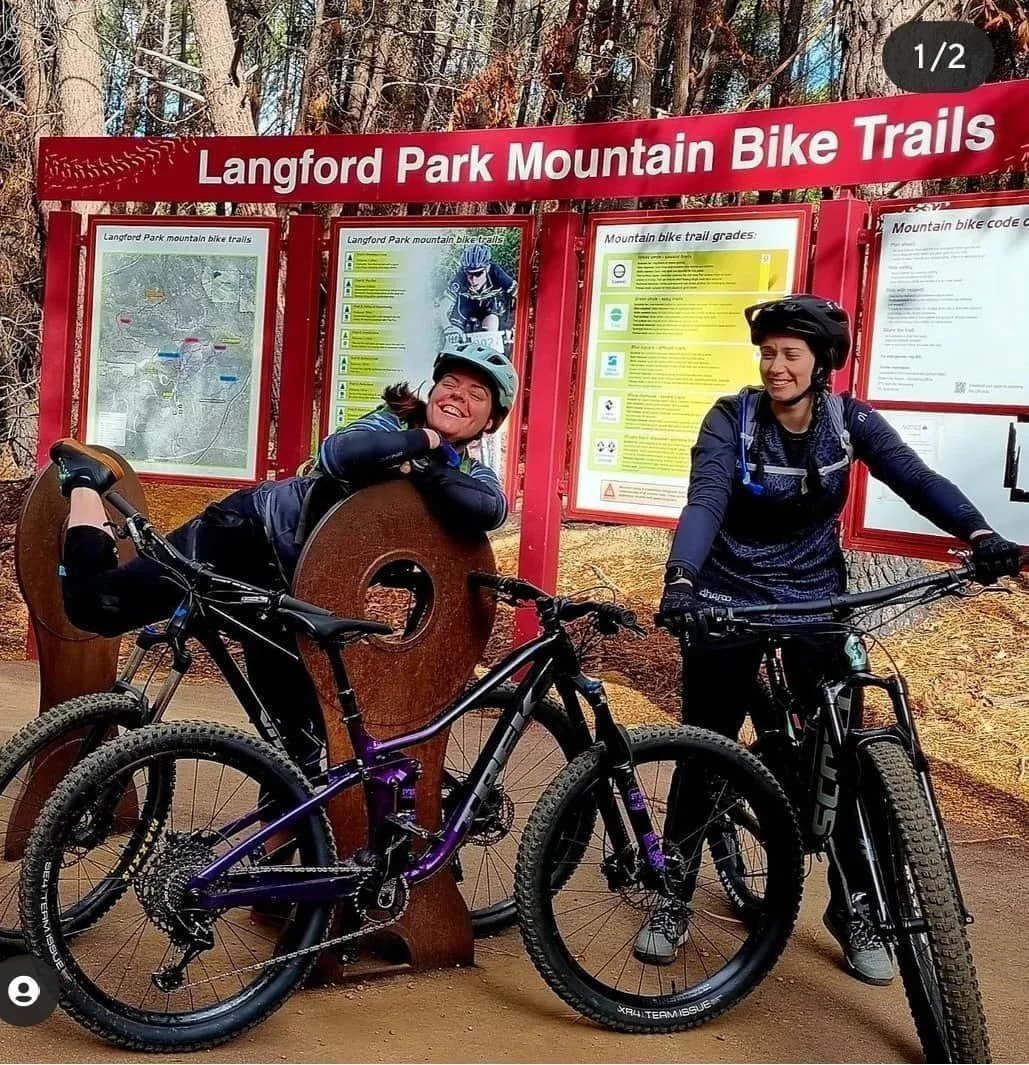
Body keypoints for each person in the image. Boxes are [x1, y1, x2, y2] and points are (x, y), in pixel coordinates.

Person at [636, 294, 1023, 983]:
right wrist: (682, 579)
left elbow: (914, 478)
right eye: (767, 353)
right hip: (727, 592)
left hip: (815, 593)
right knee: (706, 744)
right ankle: (673, 894)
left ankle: (854, 908)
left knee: (835, 756)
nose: (774, 366)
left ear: (821, 363)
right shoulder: (732, 418)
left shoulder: (849, 421)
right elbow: (706, 499)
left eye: (790, 354)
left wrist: (979, 531)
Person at [51, 339, 518, 776]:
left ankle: (286, 833)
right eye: (449, 384)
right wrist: (426, 442)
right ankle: (86, 482)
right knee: (95, 607)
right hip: (242, 537)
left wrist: (423, 468)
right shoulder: (389, 424)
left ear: (491, 421)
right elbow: (340, 455)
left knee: (299, 745)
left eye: (476, 394)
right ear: (432, 391)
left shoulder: (475, 474)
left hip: (293, 590)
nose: (458, 396)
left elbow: (487, 509)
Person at [441, 243, 517, 342]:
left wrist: (516, 326)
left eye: (478, 273)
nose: (474, 279)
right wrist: (448, 328)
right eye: (469, 274)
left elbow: (520, 295)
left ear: (487, 268)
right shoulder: (460, 276)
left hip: (488, 308)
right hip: (465, 308)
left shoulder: (496, 273)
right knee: (451, 342)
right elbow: (442, 308)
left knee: (491, 328)